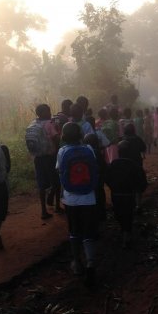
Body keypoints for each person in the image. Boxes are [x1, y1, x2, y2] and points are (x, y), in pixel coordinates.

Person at [57, 122, 99, 285]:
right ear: (81, 134)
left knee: (74, 231)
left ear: (64, 136)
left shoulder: (62, 151)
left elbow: (60, 172)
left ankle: (77, 263)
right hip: (89, 197)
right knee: (89, 232)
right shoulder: (88, 149)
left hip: (71, 199)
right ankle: (91, 262)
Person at [105, 139, 147, 249]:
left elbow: (107, 178)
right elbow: (142, 182)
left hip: (116, 195)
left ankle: (125, 233)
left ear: (119, 151)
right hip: (129, 195)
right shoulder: (134, 165)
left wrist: (113, 187)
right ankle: (126, 233)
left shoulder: (113, 164)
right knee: (128, 214)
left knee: (119, 214)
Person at [26, 103, 62, 219]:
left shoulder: (32, 124)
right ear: (43, 113)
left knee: (41, 184)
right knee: (56, 181)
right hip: (50, 157)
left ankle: (43, 211)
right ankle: (57, 206)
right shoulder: (49, 124)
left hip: (37, 157)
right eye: (48, 111)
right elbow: (56, 138)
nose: (50, 113)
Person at [122, 124, 147, 211]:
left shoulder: (123, 140)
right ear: (134, 131)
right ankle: (138, 205)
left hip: (126, 166)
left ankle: (130, 204)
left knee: (129, 185)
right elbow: (143, 148)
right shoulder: (137, 139)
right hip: (137, 164)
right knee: (138, 185)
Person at [83, 133, 107, 222]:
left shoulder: (83, 151)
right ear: (96, 142)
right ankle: (101, 216)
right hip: (97, 181)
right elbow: (103, 167)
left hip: (86, 182)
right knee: (100, 198)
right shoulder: (96, 152)